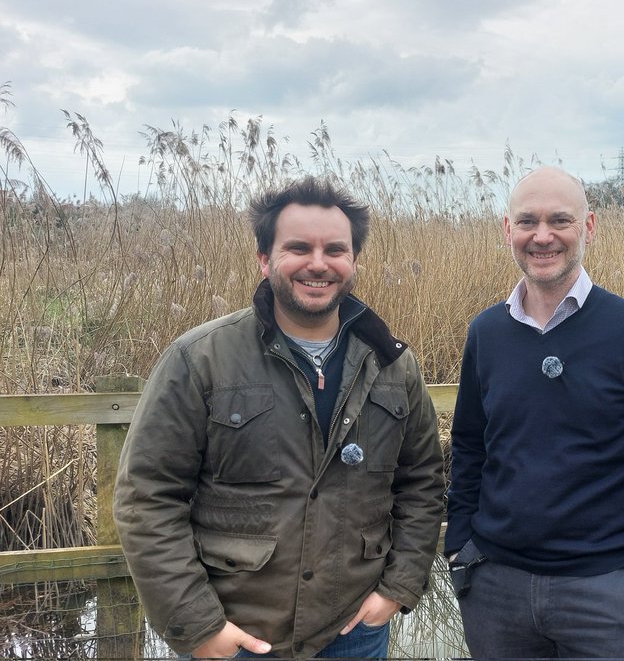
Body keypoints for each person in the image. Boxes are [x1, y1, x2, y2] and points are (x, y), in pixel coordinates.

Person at [112, 177, 445, 660]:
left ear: (353, 262)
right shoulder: (200, 360)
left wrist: (397, 588)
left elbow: (421, 483)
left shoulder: (393, 364)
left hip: (355, 634)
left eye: (335, 249)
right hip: (238, 638)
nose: (318, 263)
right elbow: (147, 497)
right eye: (298, 248)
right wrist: (200, 627)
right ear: (264, 259)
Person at [445, 166, 624, 658]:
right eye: (527, 221)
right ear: (508, 230)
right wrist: (461, 546)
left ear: (588, 227)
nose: (542, 236)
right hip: (497, 590)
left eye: (559, 220)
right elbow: (469, 445)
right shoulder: (487, 333)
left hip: (605, 593)